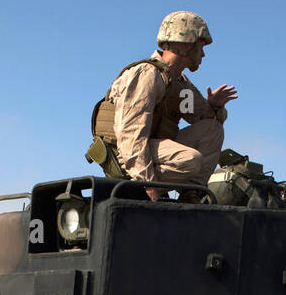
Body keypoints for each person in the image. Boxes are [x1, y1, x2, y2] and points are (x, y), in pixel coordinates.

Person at [93, 12, 238, 201]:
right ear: (184, 43)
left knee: (213, 129)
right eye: (200, 47)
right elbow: (130, 135)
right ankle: (149, 186)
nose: (203, 54)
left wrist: (215, 106)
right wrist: (148, 184)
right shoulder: (147, 75)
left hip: (155, 152)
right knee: (190, 160)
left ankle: (191, 195)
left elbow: (203, 119)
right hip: (124, 155)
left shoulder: (180, 84)